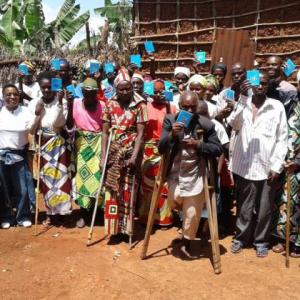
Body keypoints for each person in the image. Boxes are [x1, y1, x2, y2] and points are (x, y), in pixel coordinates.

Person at [228, 71, 288, 257]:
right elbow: (233, 124)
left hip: (267, 165)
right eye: (257, 83)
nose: (260, 86)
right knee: (244, 205)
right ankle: (241, 237)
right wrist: (243, 98)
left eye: (264, 83)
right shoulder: (243, 103)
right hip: (245, 165)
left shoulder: (276, 107)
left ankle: (261, 240)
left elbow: (282, 138)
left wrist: (277, 166)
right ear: (251, 84)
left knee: (265, 208)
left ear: (268, 85)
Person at [158, 91, 222, 258]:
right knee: (175, 200)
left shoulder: (205, 124)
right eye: (185, 107)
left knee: (192, 211)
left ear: (197, 107)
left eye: (192, 107)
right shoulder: (170, 120)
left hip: (196, 173)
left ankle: (187, 241)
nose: (189, 110)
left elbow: (217, 148)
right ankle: (184, 223)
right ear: (179, 106)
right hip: (175, 173)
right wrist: (172, 134)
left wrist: (199, 145)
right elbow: (160, 147)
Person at [101, 68, 148, 241]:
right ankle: (113, 230)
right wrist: (102, 157)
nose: (125, 91)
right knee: (112, 191)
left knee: (128, 191)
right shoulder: (109, 104)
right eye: (121, 89)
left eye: (128, 88)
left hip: (131, 151)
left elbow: (141, 135)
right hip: (113, 152)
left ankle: (126, 229)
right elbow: (105, 133)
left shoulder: (140, 105)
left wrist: (135, 157)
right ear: (116, 89)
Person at [29, 71, 72, 227]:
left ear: (54, 87)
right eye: (43, 87)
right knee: (47, 181)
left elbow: (58, 124)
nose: (47, 90)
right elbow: (32, 130)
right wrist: (38, 113)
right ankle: (50, 213)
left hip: (58, 144)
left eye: (49, 87)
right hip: (43, 144)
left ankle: (63, 214)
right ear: (39, 87)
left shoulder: (62, 101)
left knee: (61, 180)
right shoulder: (34, 103)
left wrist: (60, 102)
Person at [138, 80, 176, 226]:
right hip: (148, 149)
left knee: (164, 184)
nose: (158, 94)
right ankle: (146, 217)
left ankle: (164, 219)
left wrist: (166, 105)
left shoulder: (172, 108)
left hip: (166, 149)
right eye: (155, 91)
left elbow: (173, 126)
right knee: (147, 185)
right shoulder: (145, 107)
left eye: (161, 91)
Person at [67, 78, 103, 228]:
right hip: (82, 145)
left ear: (97, 93)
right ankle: (83, 212)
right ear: (82, 93)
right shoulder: (75, 104)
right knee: (83, 178)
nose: (90, 97)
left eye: (93, 94)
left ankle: (97, 211)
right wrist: (69, 105)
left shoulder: (103, 106)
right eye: (87, 94)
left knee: (98, 178)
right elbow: (69, 125)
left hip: (99, 144)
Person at [0, 84, 36, 228]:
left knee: (22, 188)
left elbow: (33, 130)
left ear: (19, 96)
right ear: (3, 97)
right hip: (1, 156)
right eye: (8, 94)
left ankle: (23, 215)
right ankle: (7, 216)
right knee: (4, 188)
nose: (12, 97)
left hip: (20, 154)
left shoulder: (26, 112)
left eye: (15, 94)